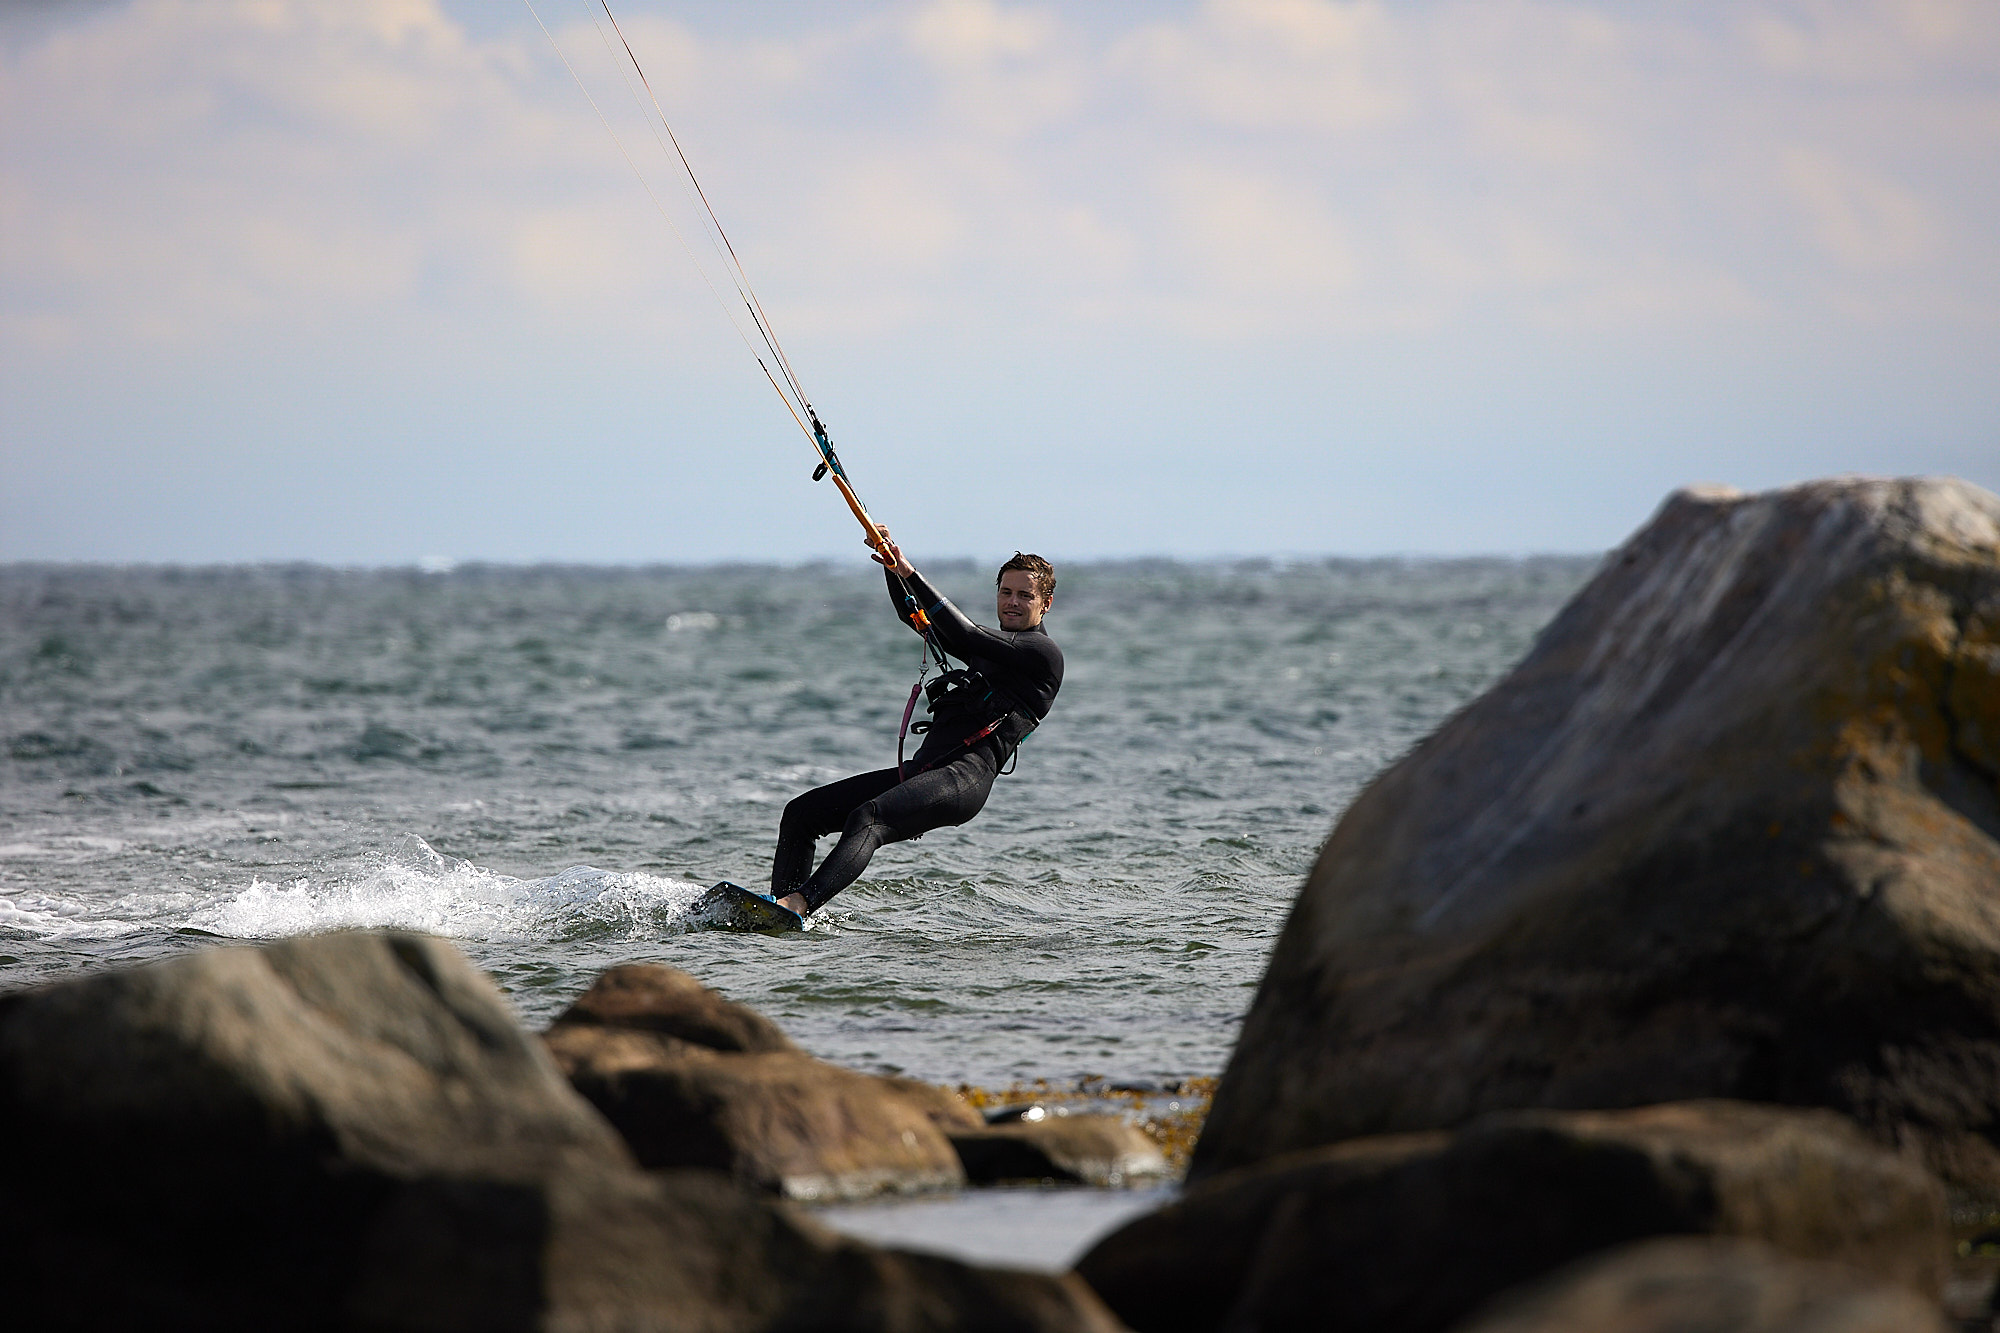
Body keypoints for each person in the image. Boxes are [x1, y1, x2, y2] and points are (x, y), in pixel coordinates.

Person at [769, 532, 1062, 916]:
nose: (1012, 602)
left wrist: (910, 571)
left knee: (868, 817)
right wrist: (891, 567)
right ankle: (778, 913)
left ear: (1046, 603)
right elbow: (915, 618)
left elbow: (964, 632)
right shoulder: (992, 648)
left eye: (1025, 595)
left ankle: (799, 904)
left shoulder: (1042, 653)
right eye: (1006, 592)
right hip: (925, 770)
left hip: (964, 777)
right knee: (801, 813)